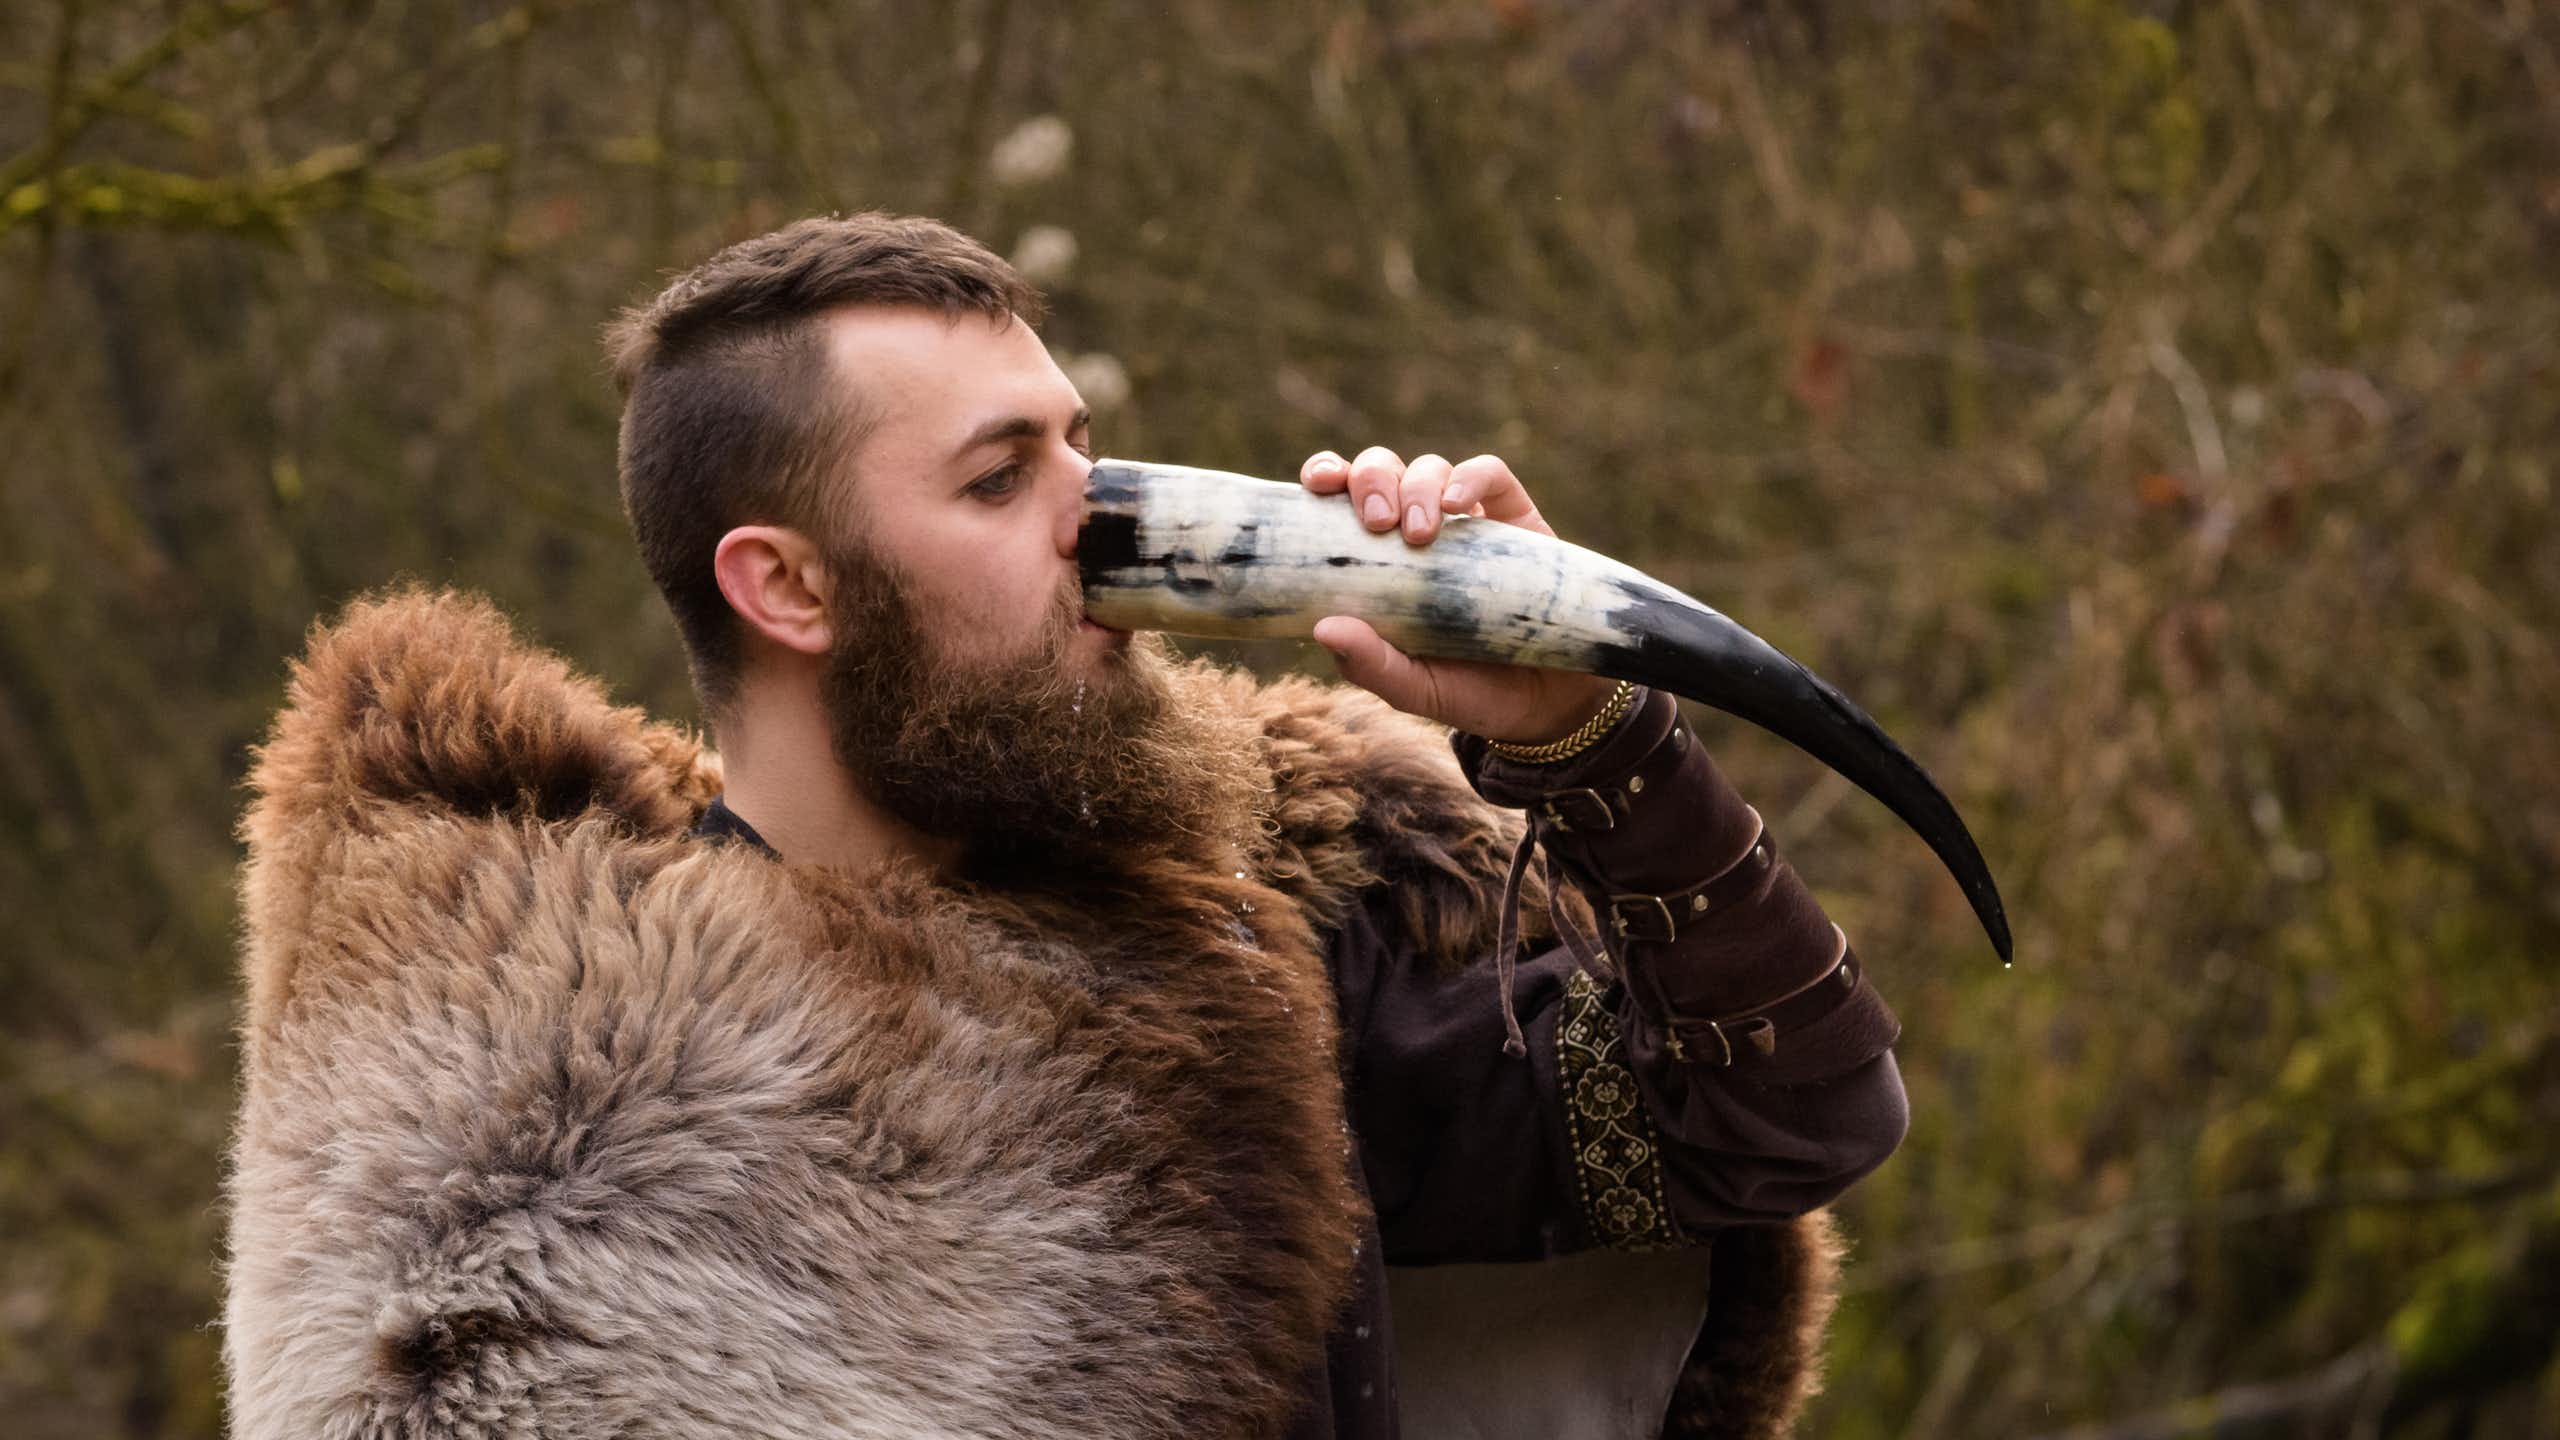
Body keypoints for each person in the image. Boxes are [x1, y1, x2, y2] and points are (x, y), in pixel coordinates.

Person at [223, 213, 1907, 1440]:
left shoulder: (1227, 966)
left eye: (1081, 450)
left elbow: (1786, 1117)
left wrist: (1588, 739)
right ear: (787, 585)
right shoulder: (565, 1158)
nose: (1101, 525)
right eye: (998, 477)